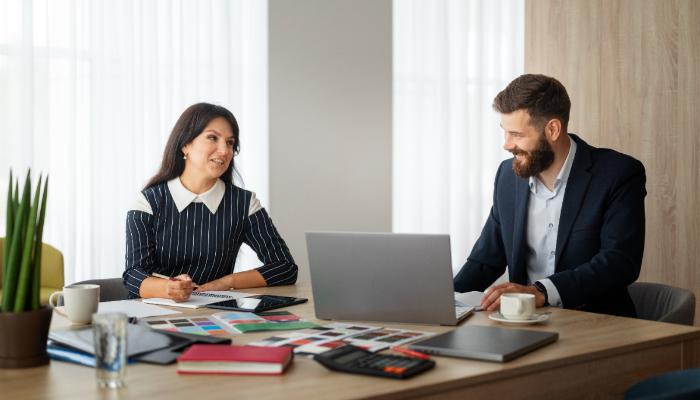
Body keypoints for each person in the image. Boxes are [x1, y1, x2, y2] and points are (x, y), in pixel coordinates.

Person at [453, 74, 646, 318]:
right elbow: (486, 260)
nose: (507, 145)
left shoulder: (617, 174)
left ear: (552, 129)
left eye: (517, 135)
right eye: (505, 133)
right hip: (522, 326)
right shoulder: (507, 176)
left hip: (597, 324)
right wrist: (443, 300)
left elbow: (620, 263)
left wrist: (541, 292)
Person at [123, 103, 298, 302]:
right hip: (153, 314)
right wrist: (168, 289)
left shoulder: (244, 203)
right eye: (212, 138)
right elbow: (133, 275)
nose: (224, 150)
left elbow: (285, 267)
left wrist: (227, 282)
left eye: (230, 142)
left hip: (215, 313)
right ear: (185, 145)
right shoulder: (148, 202)